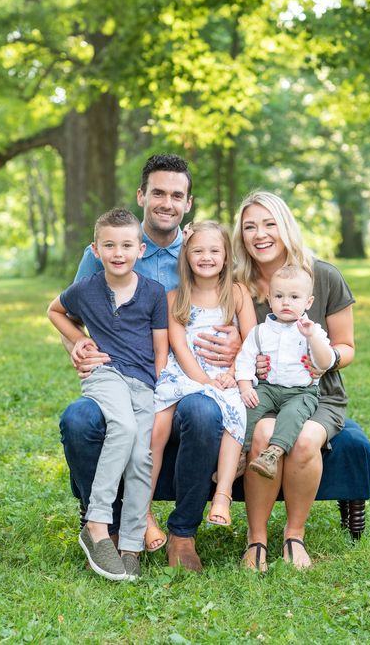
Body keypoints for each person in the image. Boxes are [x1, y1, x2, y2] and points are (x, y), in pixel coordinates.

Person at [59, 154, 241, 573]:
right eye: (157, 192)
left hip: (181, 377)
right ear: (142, 195)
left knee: (202, 410)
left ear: (188, 203)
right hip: (118, 376)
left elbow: (233, 296)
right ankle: (112, 527)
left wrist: (238, 340)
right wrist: (77, 342)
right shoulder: (113, 245)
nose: (166, 202)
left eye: (176, 195)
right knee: (79, 420)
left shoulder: (198, 249)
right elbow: (69, 307)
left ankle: (182, 534)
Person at [232, 191, 355, 572]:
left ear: (285, 227)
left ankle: (294, 535)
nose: (260, 234)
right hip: (267, 394)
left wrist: (325, 361)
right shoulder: (239, 286)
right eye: (250, 226)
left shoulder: (325, 276)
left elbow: (347, 347)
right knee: (265, 435)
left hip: (320, 395)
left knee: (303, 440)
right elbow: (237, 345)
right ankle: (256, 540)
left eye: (269, 224)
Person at [48, 209, 168, 581]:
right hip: (105, 373)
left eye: (127, 245)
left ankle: (130, 544)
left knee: (140, 458)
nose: (119, 252)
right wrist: (79, 339)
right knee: (124, 429)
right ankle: (97, 524)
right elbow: (54, 310)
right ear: (95, 250)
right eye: (109, 245)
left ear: (141, 249)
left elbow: (160, 347)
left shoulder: (154, 292)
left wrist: (159, 385)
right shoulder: (86, 289)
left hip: (143, 382)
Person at [152, 221, 257, 531]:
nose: (206, 257)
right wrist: (203, 380)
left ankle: (222, 495)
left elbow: (251, 341)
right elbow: (179, 347)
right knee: (156, 428)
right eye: (197, 250)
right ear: (186, 255)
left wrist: (231, 373)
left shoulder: (236, 293)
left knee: (235, 410)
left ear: (226, 255)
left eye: (214, 250)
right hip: (185, 374)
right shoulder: (174, 298)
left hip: (226, 374)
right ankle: (142, 511)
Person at [236, 264, 335, 480]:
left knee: (293, 415)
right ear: (270, 300)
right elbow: (244, 360)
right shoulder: (260, 331)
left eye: (294, 297)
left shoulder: (312, 330)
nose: (286, 302)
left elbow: (325, 361)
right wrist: (245, 387)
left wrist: (312, 338)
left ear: (308, 302)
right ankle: (239, 456)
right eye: (279, 296)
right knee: (248, 409)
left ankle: (272, 455)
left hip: (301, 392)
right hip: (268, 388)